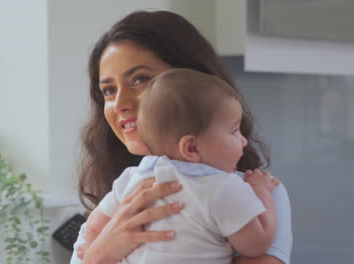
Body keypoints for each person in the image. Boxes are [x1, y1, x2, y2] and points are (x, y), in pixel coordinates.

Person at [72, 10, 292, 264]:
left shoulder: (256, 193)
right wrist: (102, 252)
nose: (119, 103)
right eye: (109, 90)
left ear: (193, 82)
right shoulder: (119, 192)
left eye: (140, 79)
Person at [81, 68, 278, 264]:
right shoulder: (224, 186)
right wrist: (261, 190)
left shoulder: (131, 178)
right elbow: (256, 245)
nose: (243, 141)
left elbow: (93, 228)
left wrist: (94, 252)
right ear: (191, 147)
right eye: (234, 131)